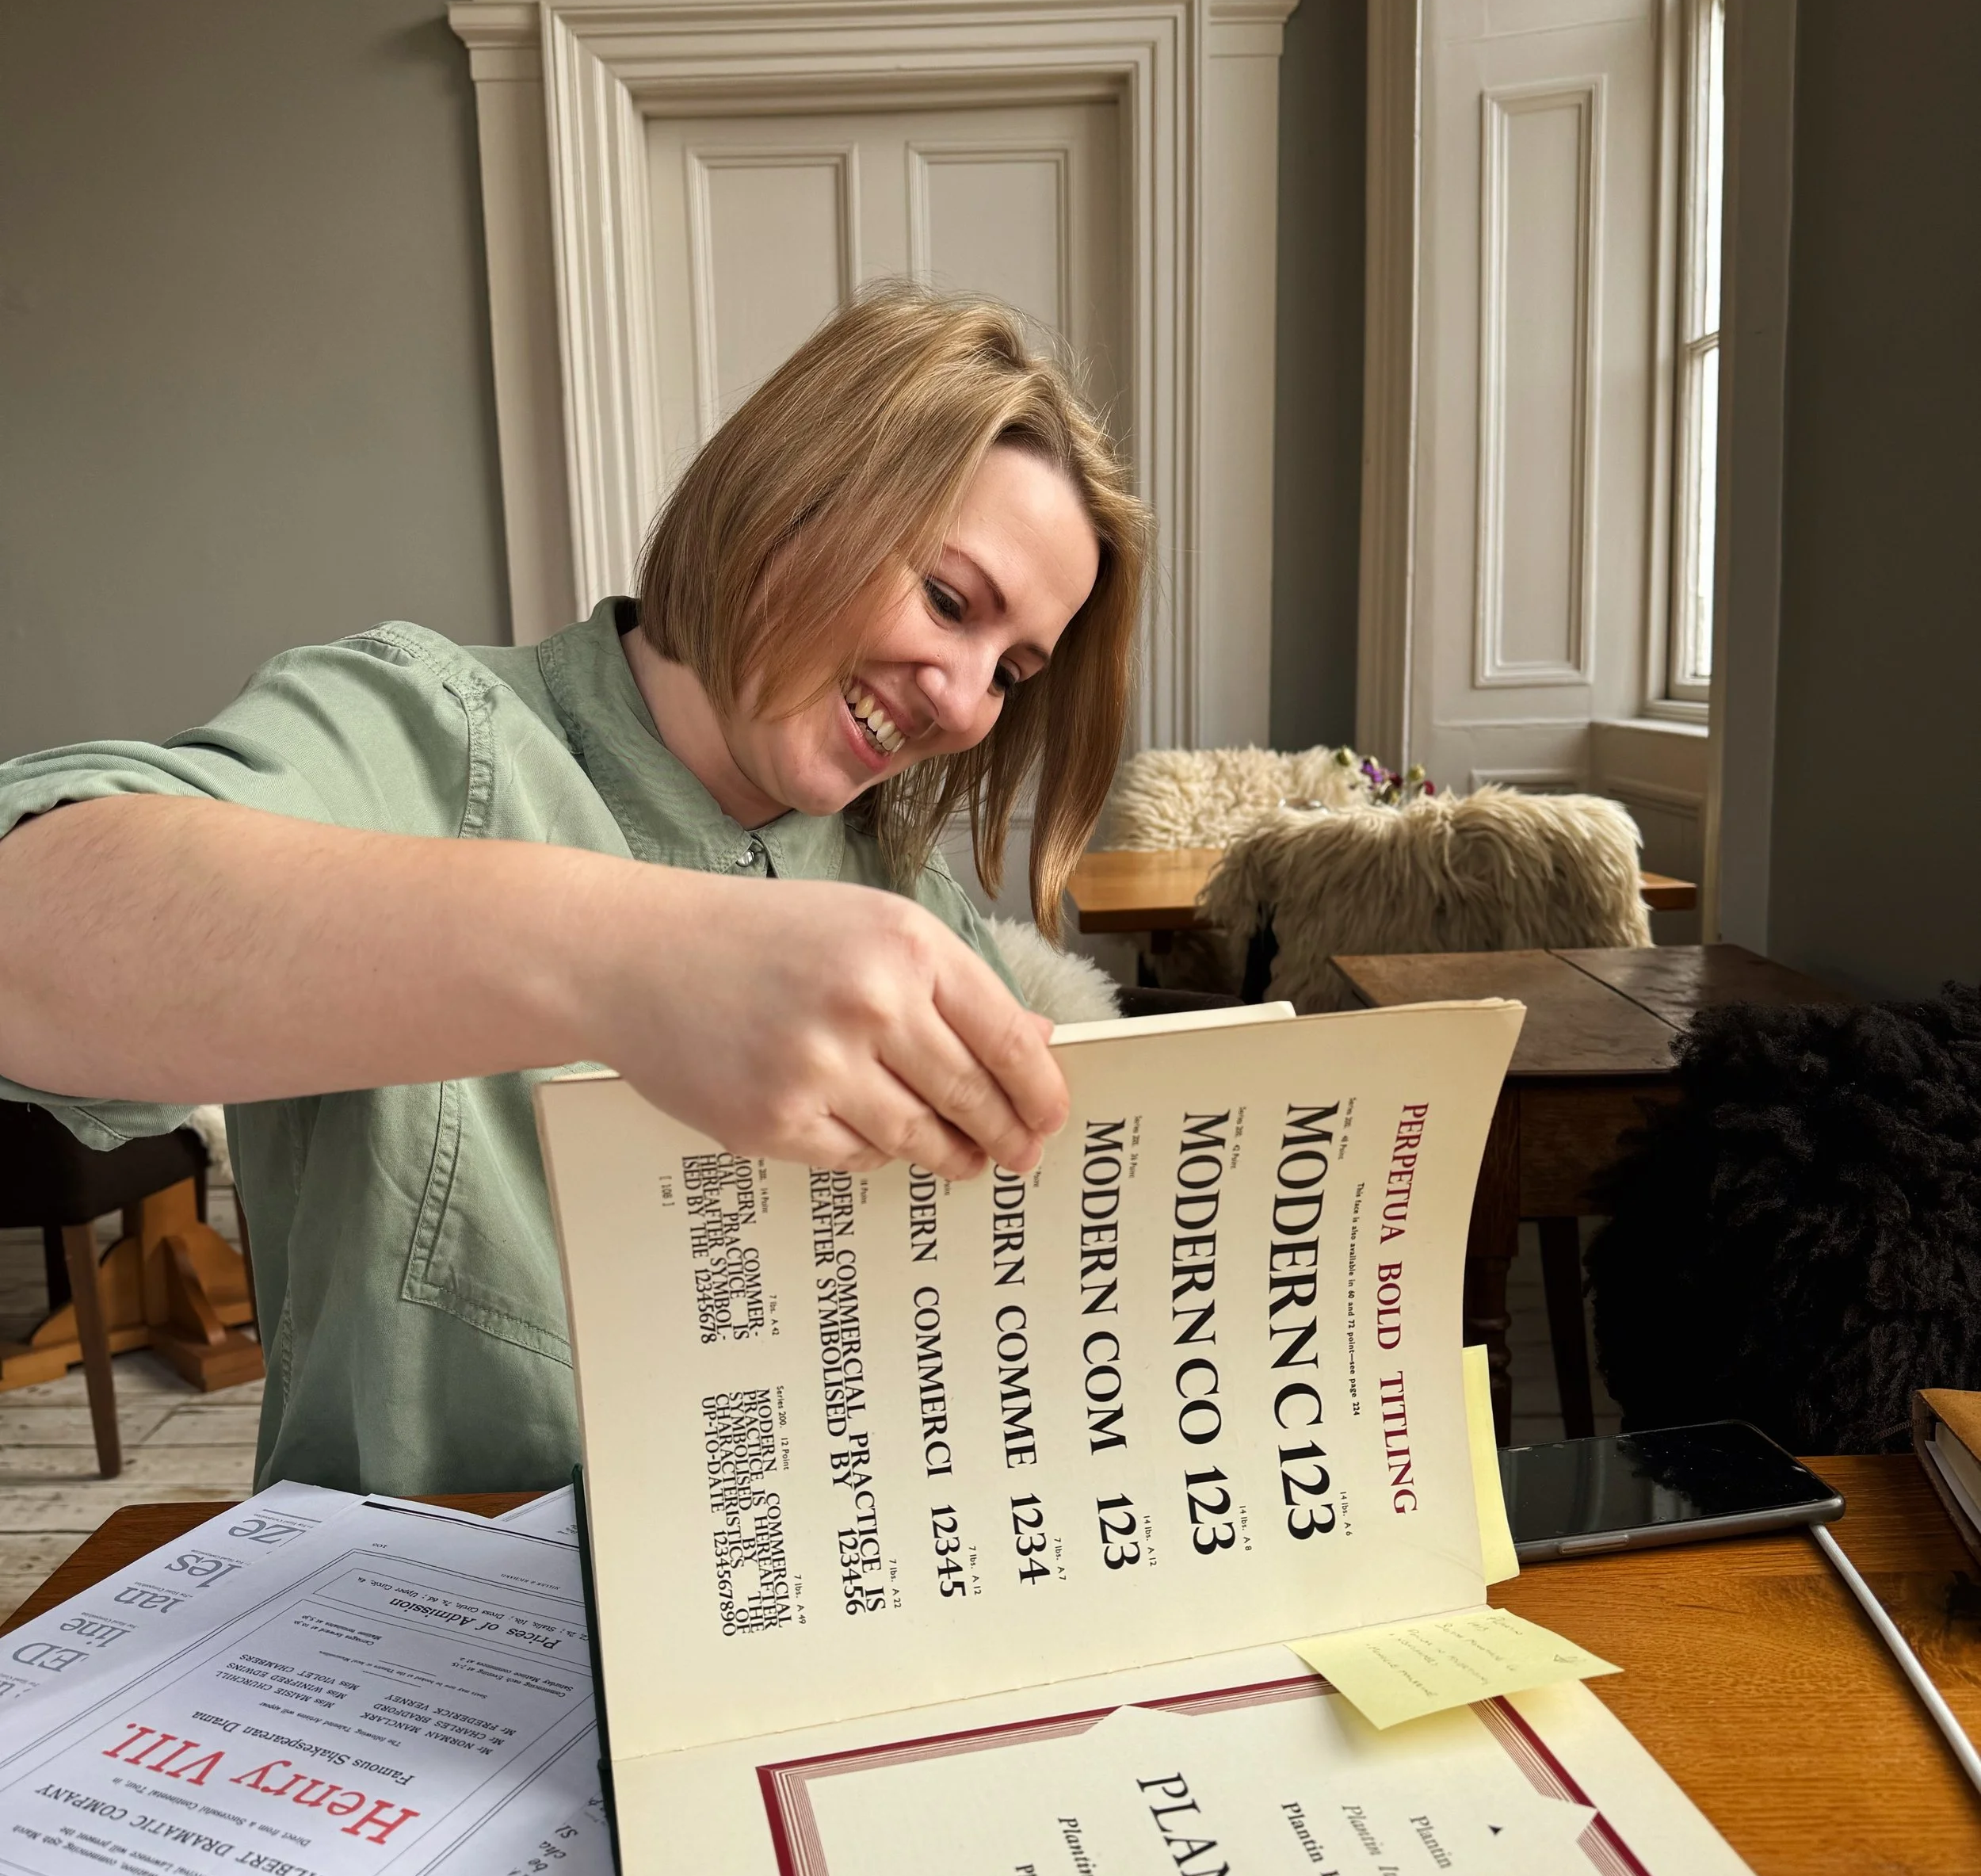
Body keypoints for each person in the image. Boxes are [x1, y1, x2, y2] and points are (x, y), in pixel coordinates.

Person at [0, 288, 1148, 1495]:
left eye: (1013, 673)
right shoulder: (427, 730)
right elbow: (30, 928)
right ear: (799, 491)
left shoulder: (906, 895)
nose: (967, 706)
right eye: (950, 602)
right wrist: (635, 962)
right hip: (435, 1632)